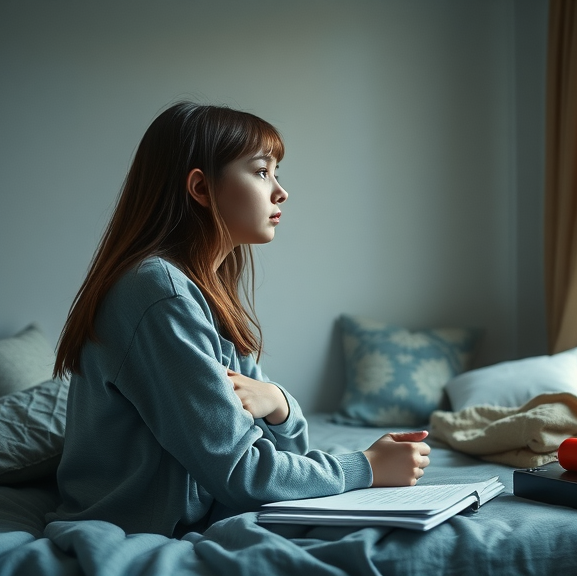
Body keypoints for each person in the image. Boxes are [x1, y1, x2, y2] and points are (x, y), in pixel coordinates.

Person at [50, 102, 431, 537]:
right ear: (201, 188)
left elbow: (287, 452)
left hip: (199, 513)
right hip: (140, 527)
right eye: (262, 172)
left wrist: (279, 403)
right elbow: (242, 473)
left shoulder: (205, 291)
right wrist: (365, 467)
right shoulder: (157, 291)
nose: (280, 192)